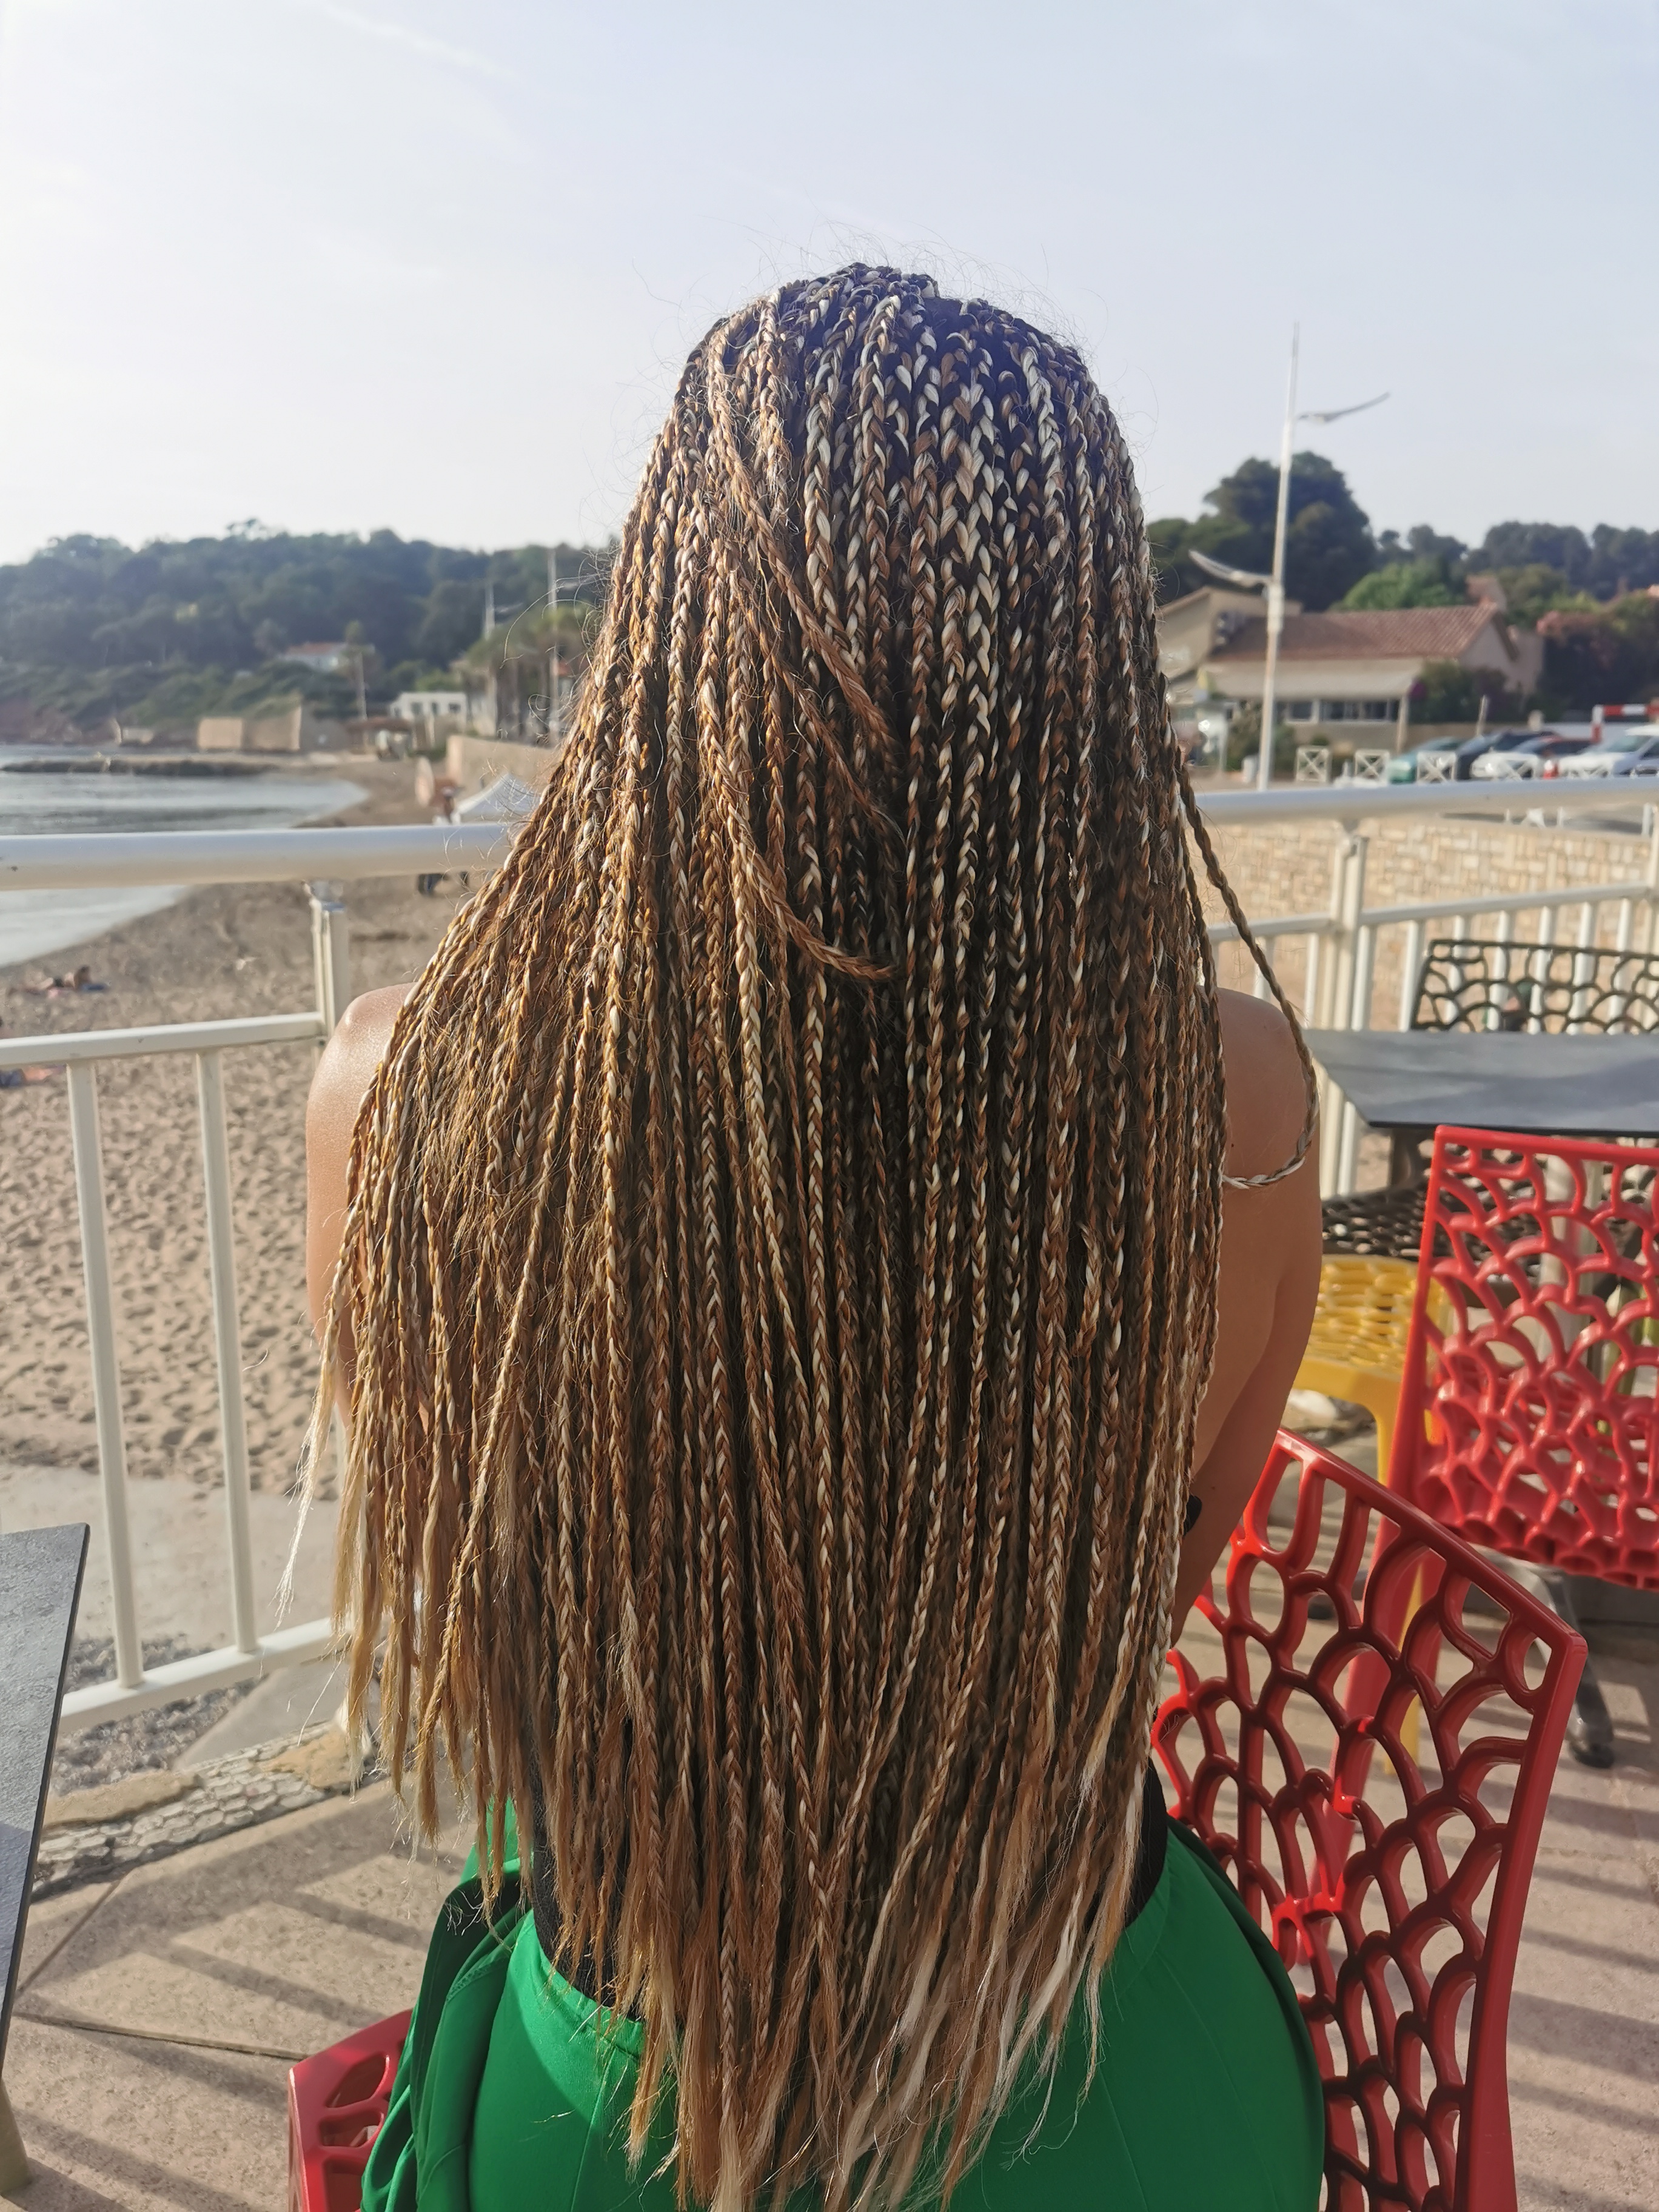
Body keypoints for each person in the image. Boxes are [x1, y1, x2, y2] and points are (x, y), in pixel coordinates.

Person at [303, 269, 1323, 2211]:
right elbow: (1147, 1601)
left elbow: (478, 1627)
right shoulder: (1240, 1105)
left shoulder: (398, 1093)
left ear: (662, 625)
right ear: (1089, 669)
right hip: (1096, 2067)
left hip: (627, 2103)